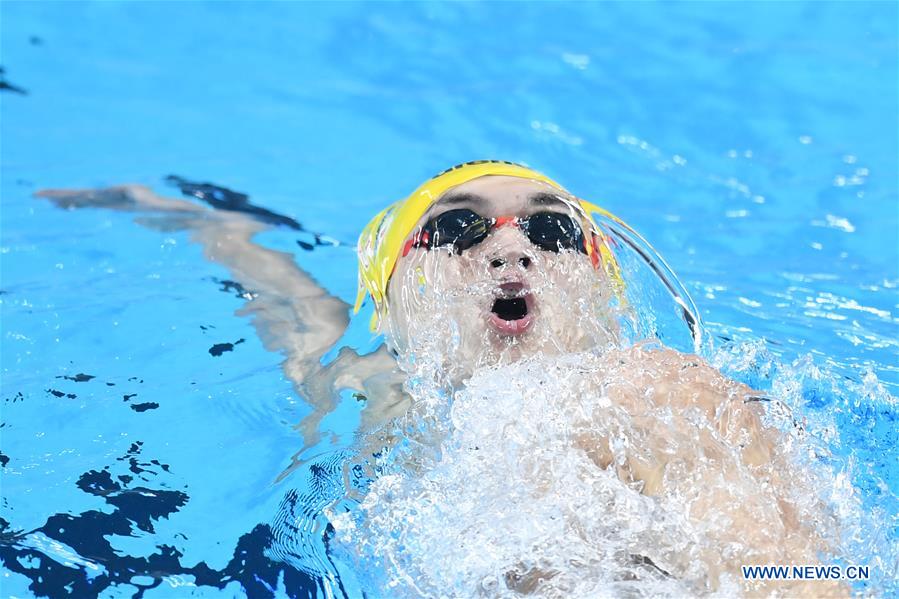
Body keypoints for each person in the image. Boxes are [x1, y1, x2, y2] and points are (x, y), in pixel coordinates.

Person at [38, 161, 841, 595]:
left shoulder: (655, 391)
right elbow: (284, 296)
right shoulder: (366, 381)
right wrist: (180, 213)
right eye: (457, 226)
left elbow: (796, 576)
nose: (510, 249)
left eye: (551, 228)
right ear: (391, 298)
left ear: (601, 288)